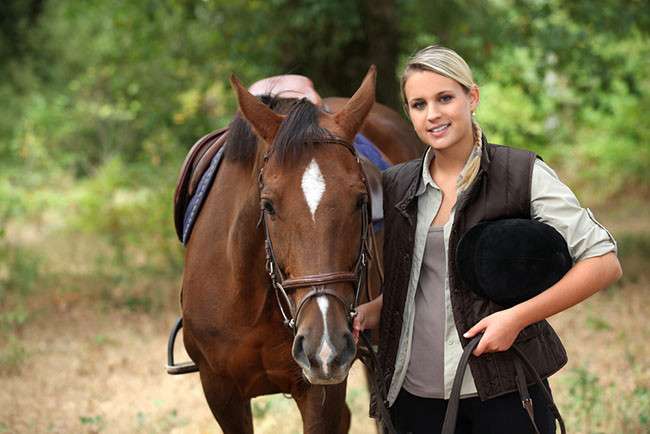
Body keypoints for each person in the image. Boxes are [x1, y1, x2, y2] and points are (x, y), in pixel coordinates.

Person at [352, 45, 622, 434]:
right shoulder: (397, 184)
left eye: (445, 98)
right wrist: (371, 310)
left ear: (472, 97)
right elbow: (422, 282)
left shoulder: (521, 172)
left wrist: (516, 318)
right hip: (413, 399)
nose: (433, 114)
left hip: (504, 392)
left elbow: (603, 262)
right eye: (419, 104)